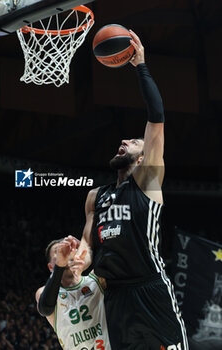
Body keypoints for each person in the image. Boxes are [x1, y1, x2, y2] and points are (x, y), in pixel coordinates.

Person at [74, 30, 189, 350]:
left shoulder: (148, 182)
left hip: (150, 289)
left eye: (132, 141)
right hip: (116, 297)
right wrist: (77, 261)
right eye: (122, 140)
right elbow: (88, 243)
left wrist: (141, 66)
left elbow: (156, 118)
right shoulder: (95, 197)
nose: (123, 142)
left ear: (143, 156)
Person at [35, 236, 111, 350]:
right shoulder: (43, 293)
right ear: (51, 267)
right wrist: (60, 265)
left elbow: (110, 256)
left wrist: (86, 250)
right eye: (58, 252)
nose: (63, 253)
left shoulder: (95, 280)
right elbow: (45, 308)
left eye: (67, 250)